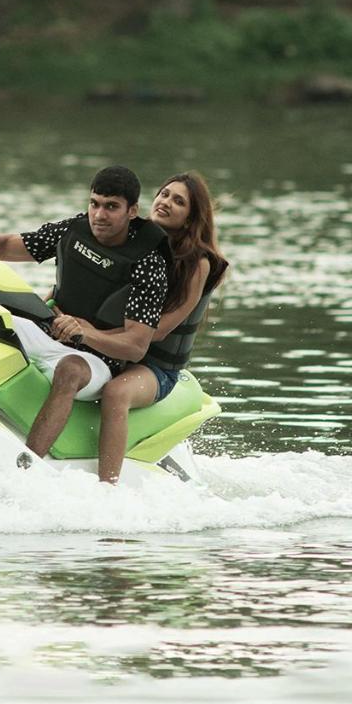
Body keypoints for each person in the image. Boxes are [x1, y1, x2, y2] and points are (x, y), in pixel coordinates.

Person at [0, 166, 170, 465]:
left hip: (96, 360)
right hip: (46, 334)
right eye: (94, 203)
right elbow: (8, 246)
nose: (99, 215)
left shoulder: (148, 264)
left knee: (69, 370)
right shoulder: (74, 229)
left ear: (132, 211)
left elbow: (136, 346)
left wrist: (85, 333)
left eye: (111, 207)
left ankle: (28, 468)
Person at [55, 172, 229, 483]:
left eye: (179, 201)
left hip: (154, 365)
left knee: (116, 393)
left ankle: (108, 487)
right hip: (114, 349)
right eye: (164, 194)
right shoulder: (132, 242)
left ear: (192, 216)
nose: (166, 202)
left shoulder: (197, 263)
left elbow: (158, 331)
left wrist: (90, 334)